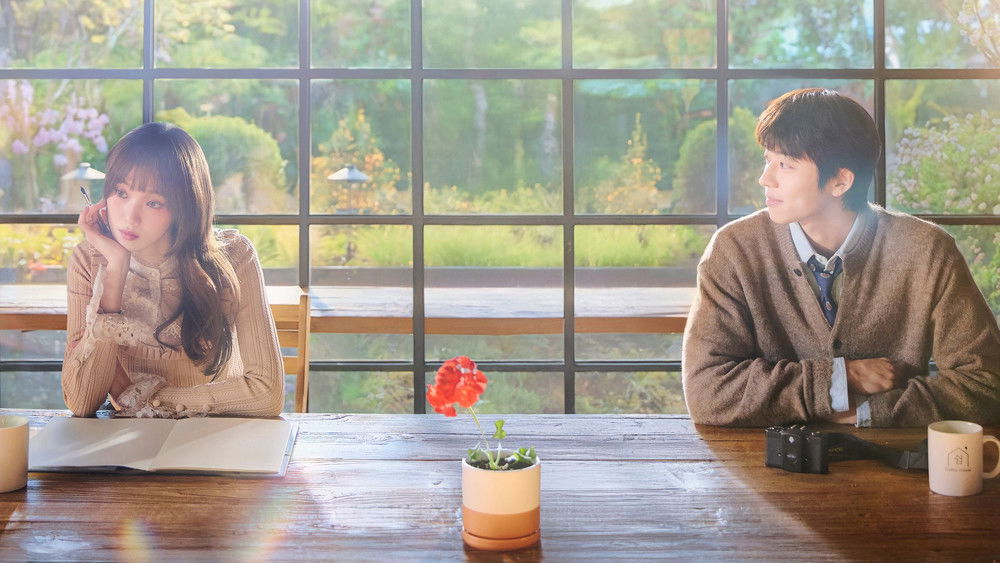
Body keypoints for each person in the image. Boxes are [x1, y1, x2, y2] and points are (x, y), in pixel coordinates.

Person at [681, 88, 1000, 427]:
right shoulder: (734, 249)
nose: (765, 178)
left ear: (840, 182)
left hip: (896, 456)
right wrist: (842, 378)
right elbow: (707, 391)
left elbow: (985, 385)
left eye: (785, 165)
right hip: (761, 458)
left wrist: (864, 412)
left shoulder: (927, 251)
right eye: (768, 159)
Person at [63, 122, 284, 418]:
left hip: (218, 435)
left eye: (154, 202)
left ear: (185, 207)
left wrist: (149, 398)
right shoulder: (88, 260)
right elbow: (81, 402)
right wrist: (116, 270)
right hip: (129, 439)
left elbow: (267, 393)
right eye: (121, 192)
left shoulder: (234, 255)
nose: (130, 217)